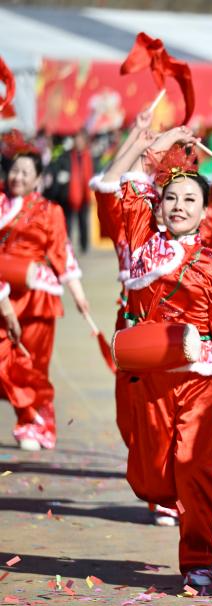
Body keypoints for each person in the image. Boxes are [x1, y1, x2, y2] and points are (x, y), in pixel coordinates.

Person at [99, 126, 212, 586]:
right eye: (171, 198)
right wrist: (158, 140)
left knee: (191, 464)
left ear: (204, 212)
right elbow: (116, 183)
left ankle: (203, 559)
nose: (179, 206)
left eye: (190, 200)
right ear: (158, 205)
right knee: (153, 478)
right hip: (151, 377)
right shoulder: (140, 244)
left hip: (202, 379)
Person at [0, 145, 90, 450]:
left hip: (37, 294)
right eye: (15, 171)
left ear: (38, 179)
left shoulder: (50, 211)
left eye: (26, 172)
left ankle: (34, 422)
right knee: (4, 359)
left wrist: (78, 294)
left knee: (33, 363)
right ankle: (30, 416)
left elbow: (62, 252)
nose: (18, 177)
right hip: (3, 292)